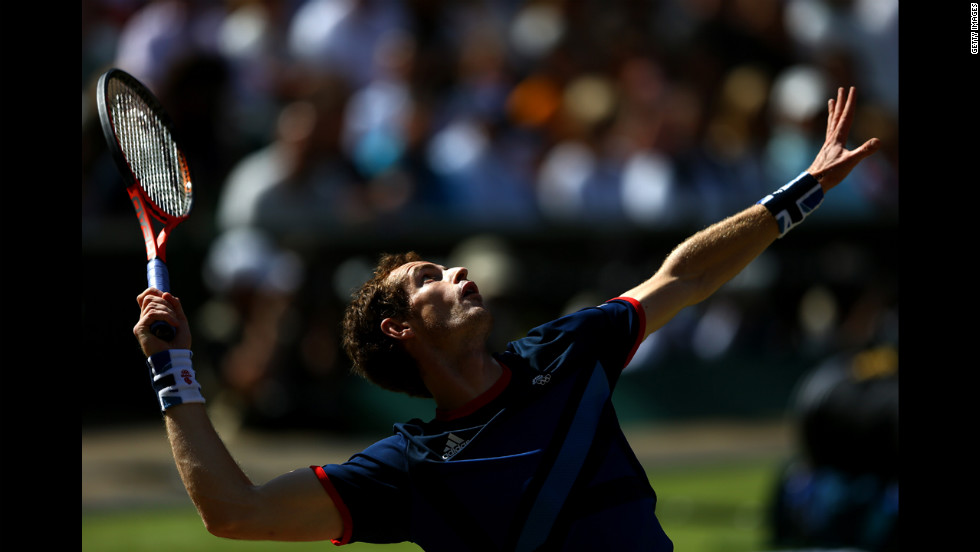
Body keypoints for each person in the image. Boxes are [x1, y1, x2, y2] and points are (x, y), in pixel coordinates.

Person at [134, 86, 880, 551]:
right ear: (402, 328)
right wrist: (173, 370)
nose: (458, 271)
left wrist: (799, 194)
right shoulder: (408, 471)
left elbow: (683, 276)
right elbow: (235, 511)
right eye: (427, 278)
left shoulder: (565, 351)